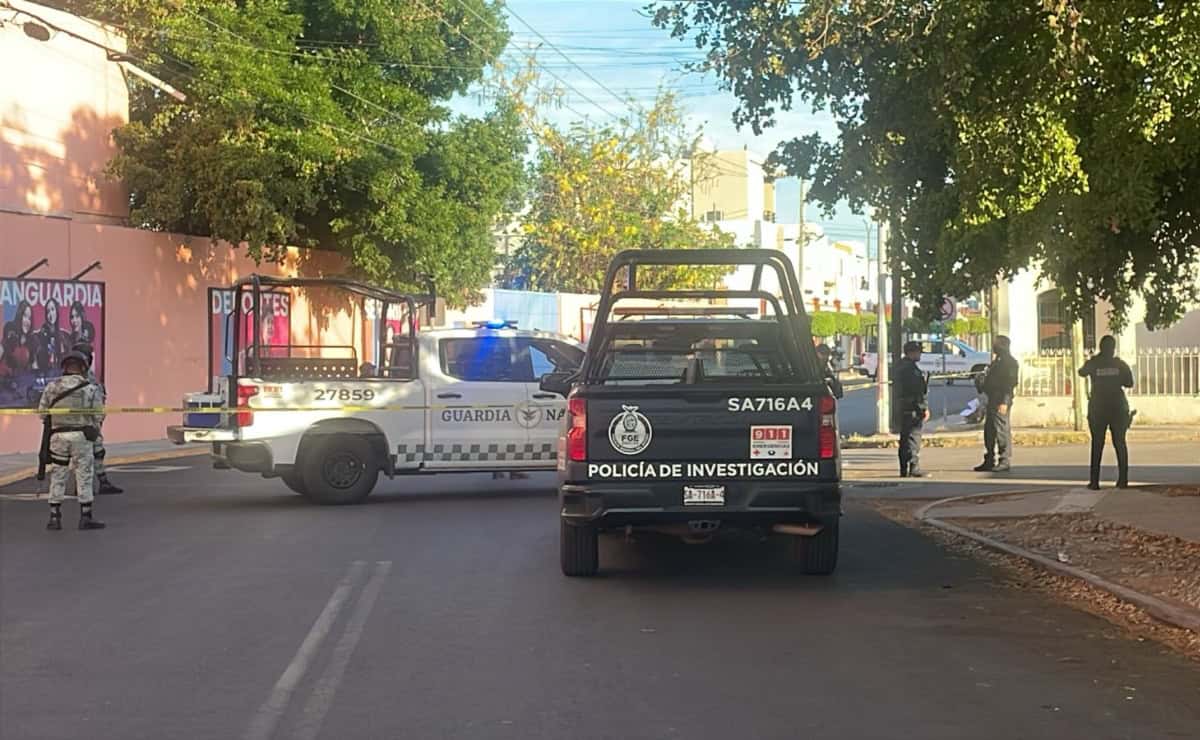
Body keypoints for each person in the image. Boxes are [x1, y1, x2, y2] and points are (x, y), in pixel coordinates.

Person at [38, 351, 105, 530]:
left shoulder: (52, 387)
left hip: (57, 437)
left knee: (58, 473)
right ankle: (85, 516)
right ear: (83, 367)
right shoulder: (90, 388)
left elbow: (42, 413)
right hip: (81, 437)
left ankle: (54, 516)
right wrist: (94, 431)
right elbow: (99, 415)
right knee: (84, 473)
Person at [1078, 335, 1134, 489]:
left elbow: (1081, 372)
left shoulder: (1094, 363)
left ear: (1100, 347)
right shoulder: (1120, 364)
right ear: (1113, 348)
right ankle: (1123, 480)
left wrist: (1094, 363)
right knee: (1120, 443)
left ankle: (1094, 482)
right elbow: (1129, 382)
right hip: (1118, 407)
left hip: (1098, 408)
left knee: (1097, 444)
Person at [73, 343, 122, 495]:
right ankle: (81, 486)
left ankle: (102, 481)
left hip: (89, 423)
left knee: (97, 452)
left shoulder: (88, 377)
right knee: (83, 455)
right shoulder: (79, 379)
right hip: (85, 423)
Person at [974, 335, 1020, 472]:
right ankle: (989, 459)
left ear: (1003, 346)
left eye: (996, 344)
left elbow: (1009, 384)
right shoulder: (997, 362)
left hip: (1001, 400)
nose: (993, 347)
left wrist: (1004, 402)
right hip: (992, 398)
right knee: (989, 431)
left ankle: (1004, 459)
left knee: (1001, 430)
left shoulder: (1010, 362)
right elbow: (991, 380)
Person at [895, 341, 930, 477]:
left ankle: (904, 468)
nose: (920, 354)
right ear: (911, 353)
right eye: (918, 352)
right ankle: (913, 467)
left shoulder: (902, 366)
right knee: (913, 438)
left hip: (904, 407)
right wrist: (923, 408)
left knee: (905, 438)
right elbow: (917, 392)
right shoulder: (910, 370)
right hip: (912, 408)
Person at [36, 297, 70, 371]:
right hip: (46, 373)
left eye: (52, 309)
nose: (50, 314)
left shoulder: (63, 336)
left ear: (56, 311)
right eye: (48, 311)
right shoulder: (41, 335)